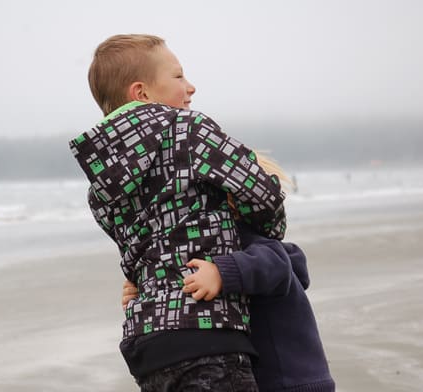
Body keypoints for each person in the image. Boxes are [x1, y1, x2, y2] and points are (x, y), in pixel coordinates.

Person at [69, 34, 286, 391]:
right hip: (207, 331)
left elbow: (138, 254)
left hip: (147, 342)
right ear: (141, 93)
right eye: (179, 76)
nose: (191, 87)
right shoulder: (188, 131)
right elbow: (262, 194)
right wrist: (262, 229)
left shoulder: (102, 179)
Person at [123, 224, 336, 392]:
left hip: (291, 381)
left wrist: (222, 273)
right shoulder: (201, 241)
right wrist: (143, 293)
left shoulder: (246, 238)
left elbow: (277, 263)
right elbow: (182, 281)